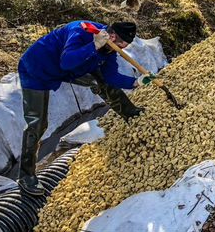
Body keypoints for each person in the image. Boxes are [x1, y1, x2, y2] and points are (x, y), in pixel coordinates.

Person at [17, 20, 154, 195]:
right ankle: (26, 176)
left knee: (102, 82)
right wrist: (94, 45)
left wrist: (135, 82)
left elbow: (111, 76)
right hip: (37, 69)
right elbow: (66, 61)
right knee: (37, 123)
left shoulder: (109, 49)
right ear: (112, 36)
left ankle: (132, 114)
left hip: (69, 70)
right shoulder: (80, 31)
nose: (118, 49)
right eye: (119, 45)